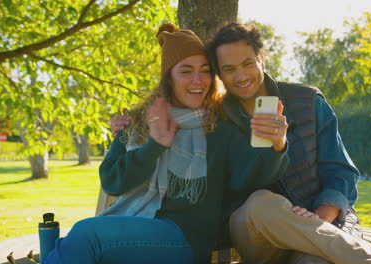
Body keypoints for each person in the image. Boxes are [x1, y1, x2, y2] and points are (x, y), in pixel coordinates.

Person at [110, 23, 371, 264]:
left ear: (262, 59)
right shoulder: (216, 119)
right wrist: (128, 127)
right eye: (229, 68)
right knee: (261, 202)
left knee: (313, 261)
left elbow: (342, 174)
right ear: (220, 75)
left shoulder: (307, 101)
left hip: (325, 224)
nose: (241, 76)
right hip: (255, 233)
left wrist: (317, 218)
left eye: (248, 63)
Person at [44, 22, 289, 264]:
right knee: (78, 241)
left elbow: (249, 177)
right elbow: (112, 182)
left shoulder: (219, 128)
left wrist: (278, 145)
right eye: (186, 71)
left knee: (85, 235)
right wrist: (154, 146)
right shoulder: (138, 123)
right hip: (133, 229)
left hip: (186, 239)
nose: (198, 80)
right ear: (168, 78)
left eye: (205, 70)